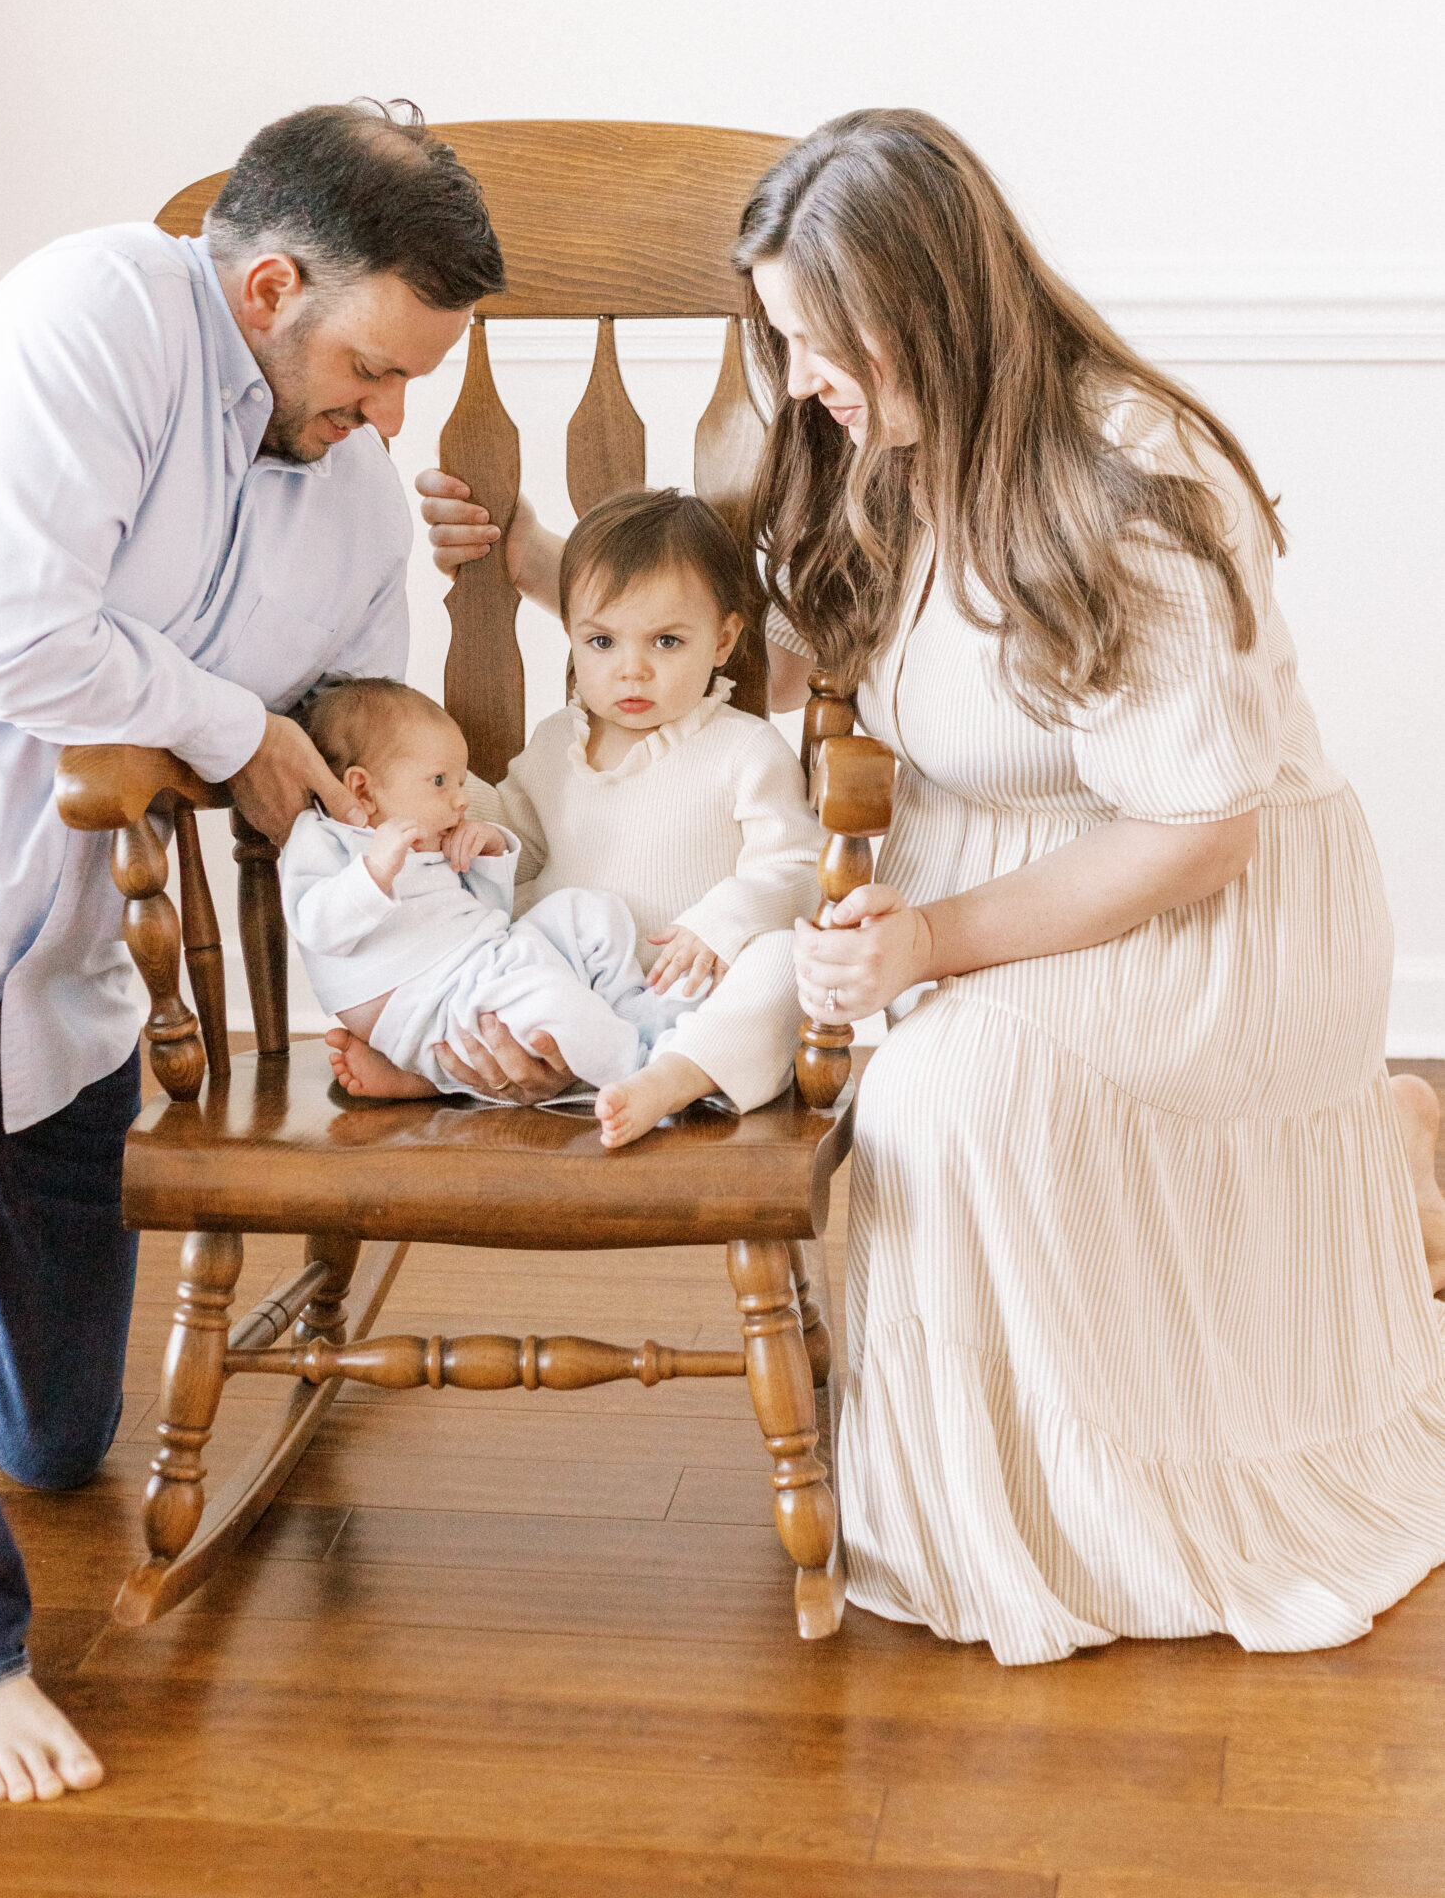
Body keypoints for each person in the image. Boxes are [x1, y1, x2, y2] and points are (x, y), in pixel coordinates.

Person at [419, 107, 1445, 1662]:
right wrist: (528, 556)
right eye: (783, 343)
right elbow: (728, 647)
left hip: (1200, 897)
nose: (809, 381)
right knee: (898, 1076)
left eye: (833, 344)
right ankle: (1021, 1466)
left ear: (939, 312)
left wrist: (937, 944)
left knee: (938, 1101)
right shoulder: (871, 447)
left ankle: (1179, 1417)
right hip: (991, 861)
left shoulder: (1130, 486)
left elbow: (1200, 832)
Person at [0, 98, 504, 1801]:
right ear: (270, 284)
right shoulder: (96, 313)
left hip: (59, 979)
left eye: (415, 383)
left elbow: (336, 778)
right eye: (372, 368)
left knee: (57, 1439)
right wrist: (227, 722)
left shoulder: (357, 505)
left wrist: (435, 984)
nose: (388, 415)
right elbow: (6, 631)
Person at [477, 487, 822, 1147]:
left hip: (692, 1002)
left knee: (787, 960)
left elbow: (799, 867)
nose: (630, 670)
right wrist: (464, 812)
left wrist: (724, 925)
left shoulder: (743, 749)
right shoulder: (556, 743)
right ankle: (423, 1060)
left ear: (722, 640)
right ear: (573, 636)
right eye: (602, 641)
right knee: (474, 943)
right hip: (568, 997)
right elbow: (518, 843)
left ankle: (674, 1076)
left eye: (666, 641)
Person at [284, 676, 691, 1101]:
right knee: (549, 999)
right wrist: (372, 873)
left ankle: (626, 1006)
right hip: (437, 1002)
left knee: (588, 910)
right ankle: (645, 1068)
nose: (460, 800)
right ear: (362, 790)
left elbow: (485, 913)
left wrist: (489, 854)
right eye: (440, 781)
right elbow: (315, 928)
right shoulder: (326, 839)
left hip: (489, 957)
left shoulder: (428, 833)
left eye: (460, 782)